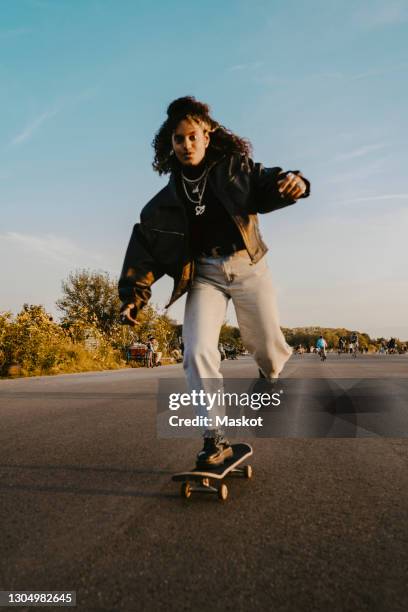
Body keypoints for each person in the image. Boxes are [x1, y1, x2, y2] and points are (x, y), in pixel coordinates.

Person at [119, 96, 310, 467]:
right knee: (196, 351)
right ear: (169, 145)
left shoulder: (236, 170)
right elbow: (145, 250)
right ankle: (214, 438)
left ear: (208, 136)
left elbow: (270, 181)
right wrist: (133, 295)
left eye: (193, 137)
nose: (186, 145)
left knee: (269, 350)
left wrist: (295, 182)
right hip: (204, 275)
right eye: (178, 139)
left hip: (248, 267)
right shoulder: (164, 203)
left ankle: (269, 376)